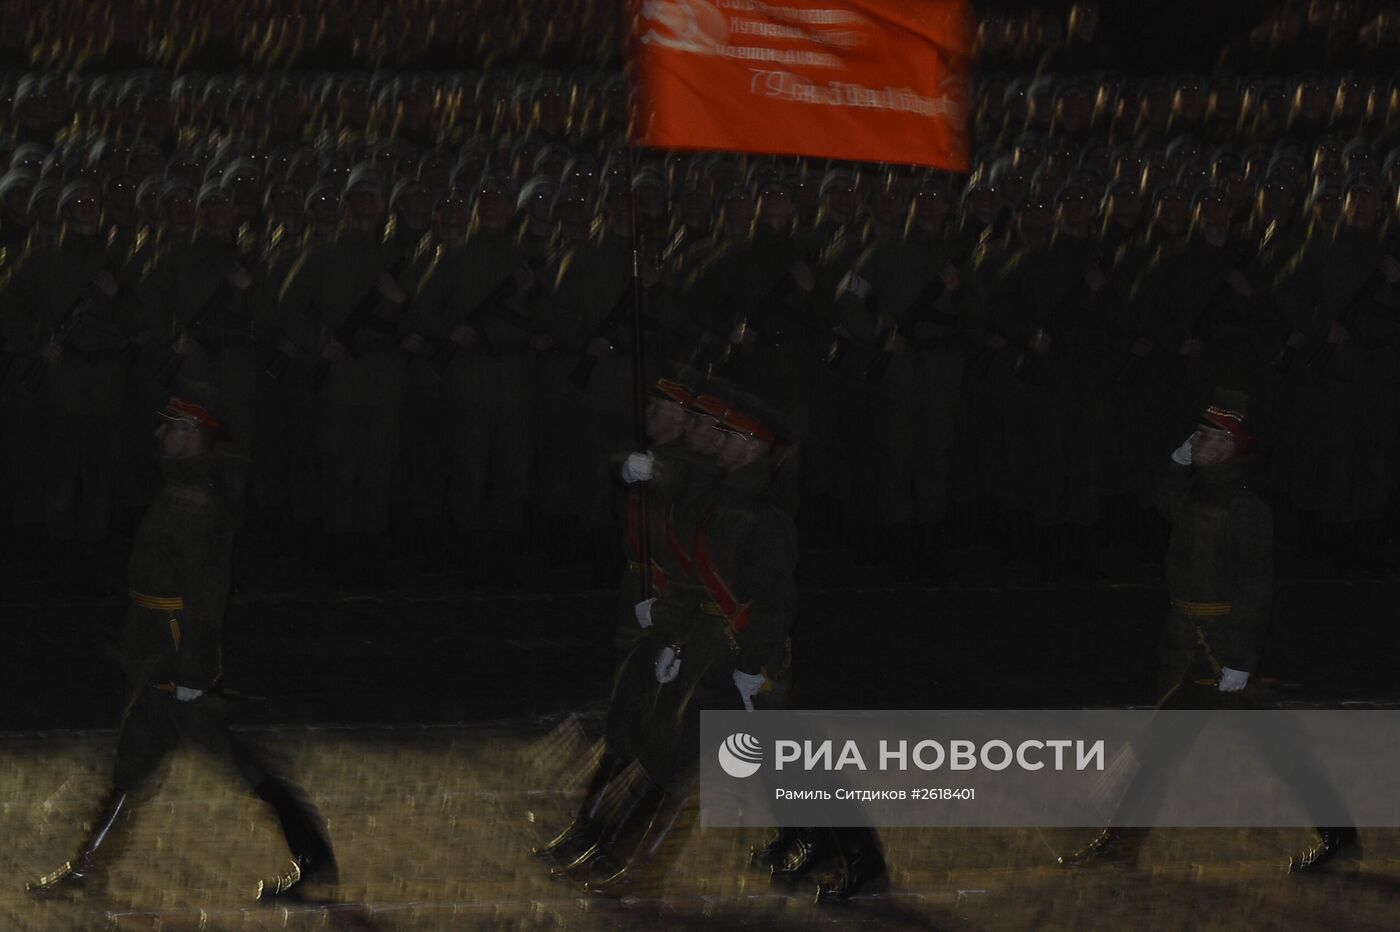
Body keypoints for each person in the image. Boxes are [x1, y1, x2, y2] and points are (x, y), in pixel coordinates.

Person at [26, 387, 336, 900]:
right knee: (135, 763)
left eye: (171, 426)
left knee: (239, 764)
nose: (160, 434)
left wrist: (192, 674)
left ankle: (315, 860)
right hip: (158, 661)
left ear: (192, 438)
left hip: (174, 666)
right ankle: (85, 870)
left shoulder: (199, 507)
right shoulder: (179, 493)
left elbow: (204, 600)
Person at [1057, 390, 1358, 872]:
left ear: (1231, 449)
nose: (1196, 440)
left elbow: (1256, 589)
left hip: (1221, 647)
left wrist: (1239, 663)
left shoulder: (1246, 508)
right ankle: (1340, 835)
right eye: (1197, 433)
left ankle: (1120, 847)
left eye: (1209, 437)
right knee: (1248, 745)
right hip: (1194, 640)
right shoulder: (1200, 491)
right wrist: (1176, 463)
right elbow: (1161, 499)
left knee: (1190, 745)